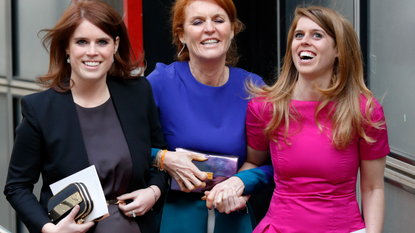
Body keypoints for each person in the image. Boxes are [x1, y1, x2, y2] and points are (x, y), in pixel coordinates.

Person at [3, 1, 167, 233]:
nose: (92, 51)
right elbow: (17, 187)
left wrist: (154, 192)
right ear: (67, 47)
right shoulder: (40, 109)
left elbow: (158, 159)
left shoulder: (139, 93)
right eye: (81, 42)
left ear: (115, 45)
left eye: (102, 41)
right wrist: (49, 229)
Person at [228, 6, 388, 233]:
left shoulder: (364, 111)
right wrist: (238, 186)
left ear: (338, 50)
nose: (304, 41)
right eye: (298, 35)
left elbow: (373, 188)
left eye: (317, 35)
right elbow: (255, 163)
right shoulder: (265, 107)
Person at [147, 0, 273, 232]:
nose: (209, 28)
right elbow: (125, 147)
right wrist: (164, 158)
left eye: (218, 20)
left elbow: (281, 164)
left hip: (234, 217)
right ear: (181, 35)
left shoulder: (254, 89)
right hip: (176, 220)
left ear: (232, 29)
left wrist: (242, 182)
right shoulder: (161, 82)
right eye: (197, 22)